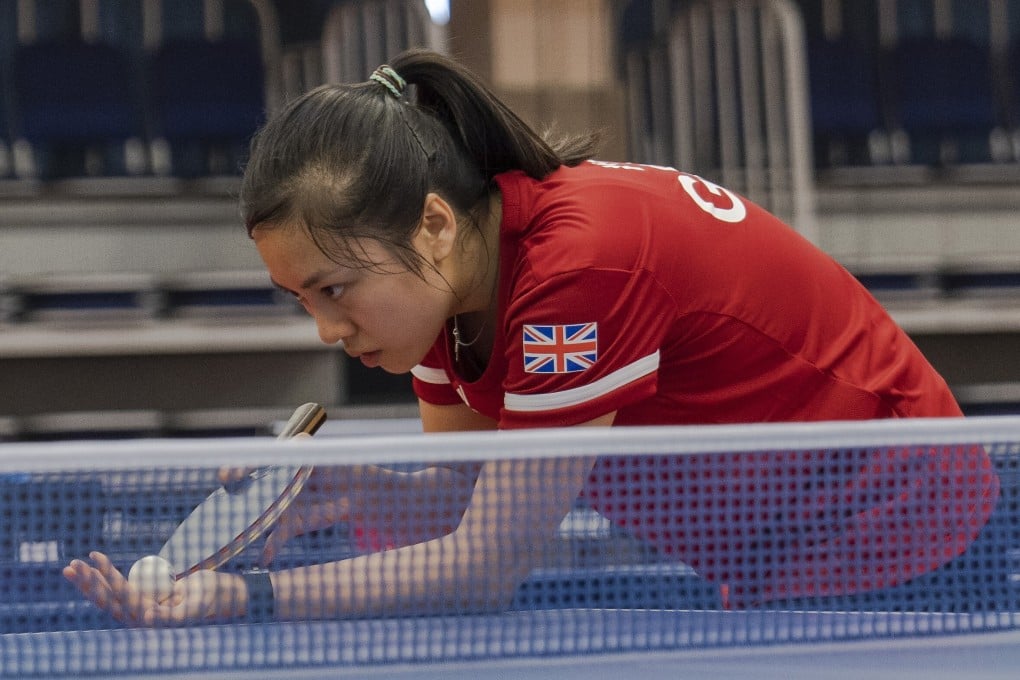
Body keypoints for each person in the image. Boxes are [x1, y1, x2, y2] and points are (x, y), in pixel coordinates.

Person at [64, 49, 999, 625]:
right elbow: (470, 509)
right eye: (301, 297)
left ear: (431, 223)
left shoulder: (577, 273)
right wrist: (364, 494)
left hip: (903, 531)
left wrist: (240, 601)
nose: (327, 327)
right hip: (774, 554)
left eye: (335, 288)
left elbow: (487, 567)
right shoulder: (445, 302)